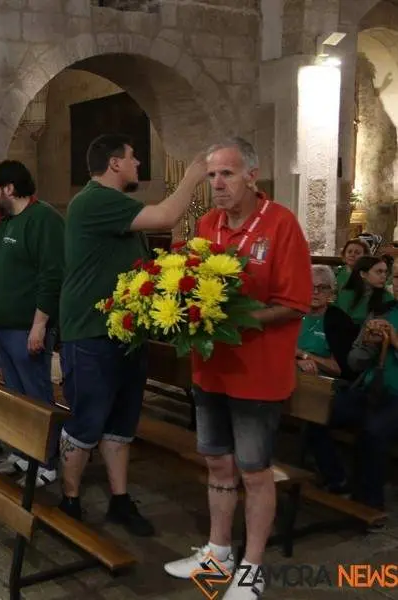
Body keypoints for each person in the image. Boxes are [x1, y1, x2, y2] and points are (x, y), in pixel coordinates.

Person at [163, 137, 312, 600]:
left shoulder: (281, 224)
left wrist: (233, 318)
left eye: (226, 173)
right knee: (217, 462)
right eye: (211, 176)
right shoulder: (207, 224)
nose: (217, 184)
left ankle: (252, 568)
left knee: (254, 470)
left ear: (251, 174)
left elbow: (294, 302)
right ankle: (218, 552)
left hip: (258, 372)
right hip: (212, 368)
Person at [57, 134, 207, 535]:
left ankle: (120, 500)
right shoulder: (93, 200)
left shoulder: (113, 205)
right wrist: (192, 176)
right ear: (114, 164)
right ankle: (69, 500)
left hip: (124, 331)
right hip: (91, 332)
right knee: (87, 421)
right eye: (133, 157)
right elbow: (164, 218)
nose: (138, 163)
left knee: (121, 423)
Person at [0, 160, 65, 487]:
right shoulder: (6, 222)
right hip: (3, 327)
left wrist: (40, 325)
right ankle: (23, 455)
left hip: (27, 327)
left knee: (36, 397)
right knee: (15, 394)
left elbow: (51, 275)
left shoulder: (43, 219)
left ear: (10, 187)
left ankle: (46, 462)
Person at [307, 310, 398, 507]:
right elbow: (353, 363)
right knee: (316, 413)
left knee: (373, 431)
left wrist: (395, 342)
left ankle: (371, 504)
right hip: (370, 391)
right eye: (397, 278)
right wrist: (368, 344)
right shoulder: (382, 312)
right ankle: (337, 480)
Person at [295, 265, 340, 377]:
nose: (315, 292)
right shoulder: (291, 314)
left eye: (323, 287)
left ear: (331, 291)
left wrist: (304, 354)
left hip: (321, 383)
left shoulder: (338, 321)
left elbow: (337, 369)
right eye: (311, 286)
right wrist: (297, 362)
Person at [332, 255, 393, 324]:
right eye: (379, 272)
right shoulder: (345, 294)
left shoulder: (387, 298)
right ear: (363, 274)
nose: (384, 276)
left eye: (385, 272)